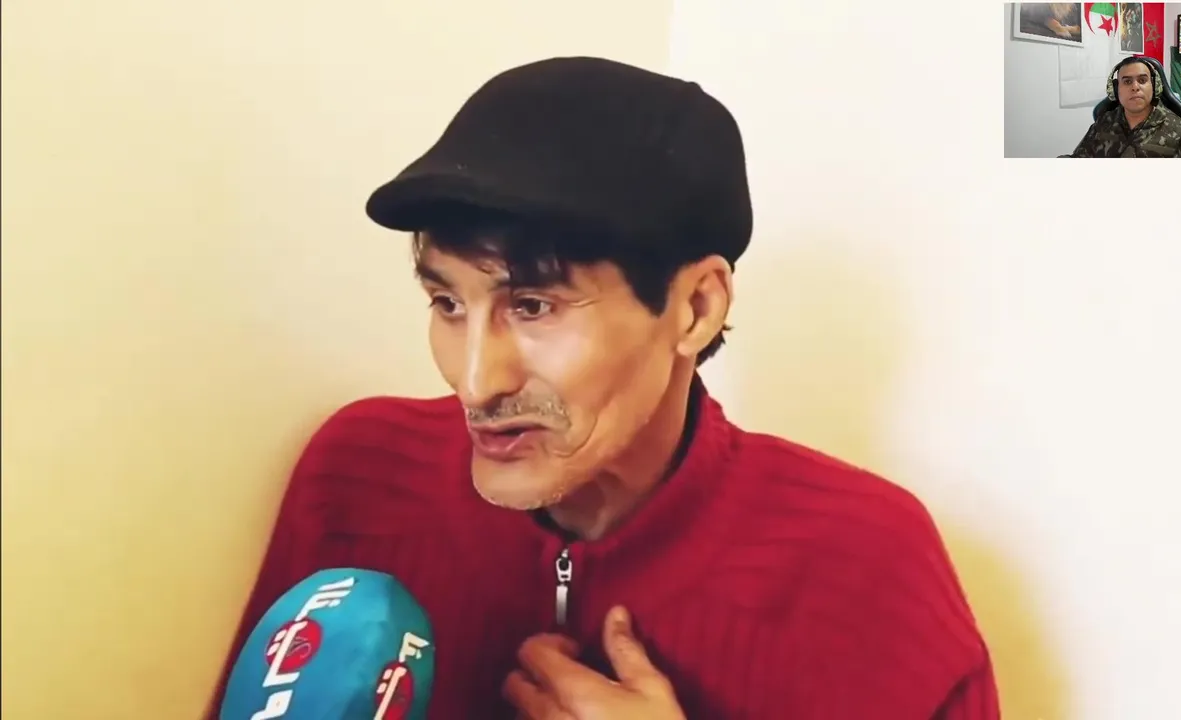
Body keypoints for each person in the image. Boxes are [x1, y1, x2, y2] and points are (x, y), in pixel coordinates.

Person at [208, 56, 999, 719]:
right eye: (447, 302)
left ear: (695, 309)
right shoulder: (358, 478)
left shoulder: (871, 570)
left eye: (533, 305)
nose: (475, 382)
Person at [1060, 56, 1181, 158]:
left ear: (1155, 86)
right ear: (1116, 90)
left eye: (1142, 80)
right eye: (1127, 82)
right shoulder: (1102, 124)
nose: (1135, 87)